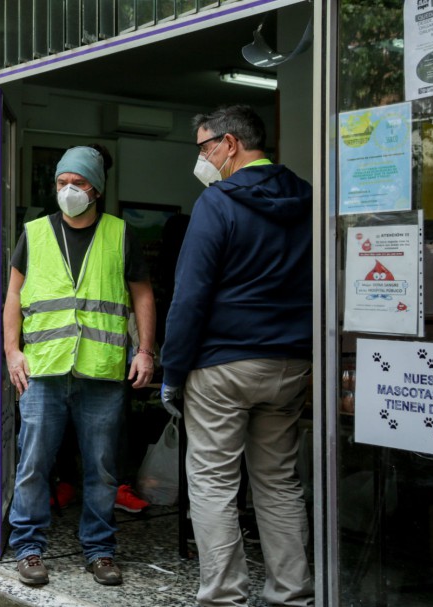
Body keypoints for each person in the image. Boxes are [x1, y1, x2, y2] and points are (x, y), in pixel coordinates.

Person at [160, 105, 313, 607]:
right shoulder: (306, 197)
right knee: (279, 482)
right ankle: (292, 594)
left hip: (223, 365)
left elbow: (190, 295)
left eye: (205, 148)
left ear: (230, 144)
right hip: (290, 362)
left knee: (213, 482)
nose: (202, 159)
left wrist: (173, 370)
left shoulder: (218, 201)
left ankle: (224, 598)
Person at [4, 145, 156, 587]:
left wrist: (145, 350)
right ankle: (28, 548)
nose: (68, 189)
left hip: (102, 372)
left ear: (96, 189)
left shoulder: (119, 234)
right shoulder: (35, 233)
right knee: (33, 463)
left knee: (102, 469)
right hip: (43, 369)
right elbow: (13, 294)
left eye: (78, 182)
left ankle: (100, 550)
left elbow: (143, 294)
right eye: (62, 182)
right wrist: (12, 351)